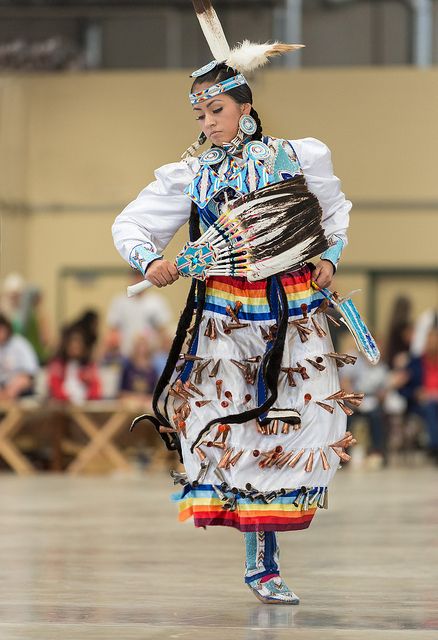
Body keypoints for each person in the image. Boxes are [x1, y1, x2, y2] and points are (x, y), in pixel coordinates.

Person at [112, 1, 353, 605]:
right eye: (200, 111)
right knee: (234, 430)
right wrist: (154, 262)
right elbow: (132, 224)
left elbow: (331, 214)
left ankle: (266, 556)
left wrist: (328, 259)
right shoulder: (190, 174)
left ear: (245, 107)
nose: (208, 120)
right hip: (223, 317)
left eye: (216, 109)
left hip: (292, 310)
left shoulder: (297, 157)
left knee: (292, 425)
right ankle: (260, 562)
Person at [106, 272, 172, 357]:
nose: (138, 281)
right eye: (135, 278)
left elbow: (163, 331)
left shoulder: (157, 301)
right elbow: (113, 330)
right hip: (126, 354)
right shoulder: (119, 301)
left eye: (141, 278)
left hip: (151, 356)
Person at [48, 327, 101, 404]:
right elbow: (54, 385)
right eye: (72, 345)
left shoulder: (89, 366)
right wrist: (66, 399)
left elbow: (95, 386)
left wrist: (88, 400)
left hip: (85, 404)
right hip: (63, 405)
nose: (74, 348)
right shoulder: (58, 365)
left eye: (77, 346)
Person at [0, 313, 39, 400]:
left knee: (20, 381)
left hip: (20, 385)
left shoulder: (19, 343)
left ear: (6, 328)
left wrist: (12, 387)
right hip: (3, 385)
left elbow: (30, 372)